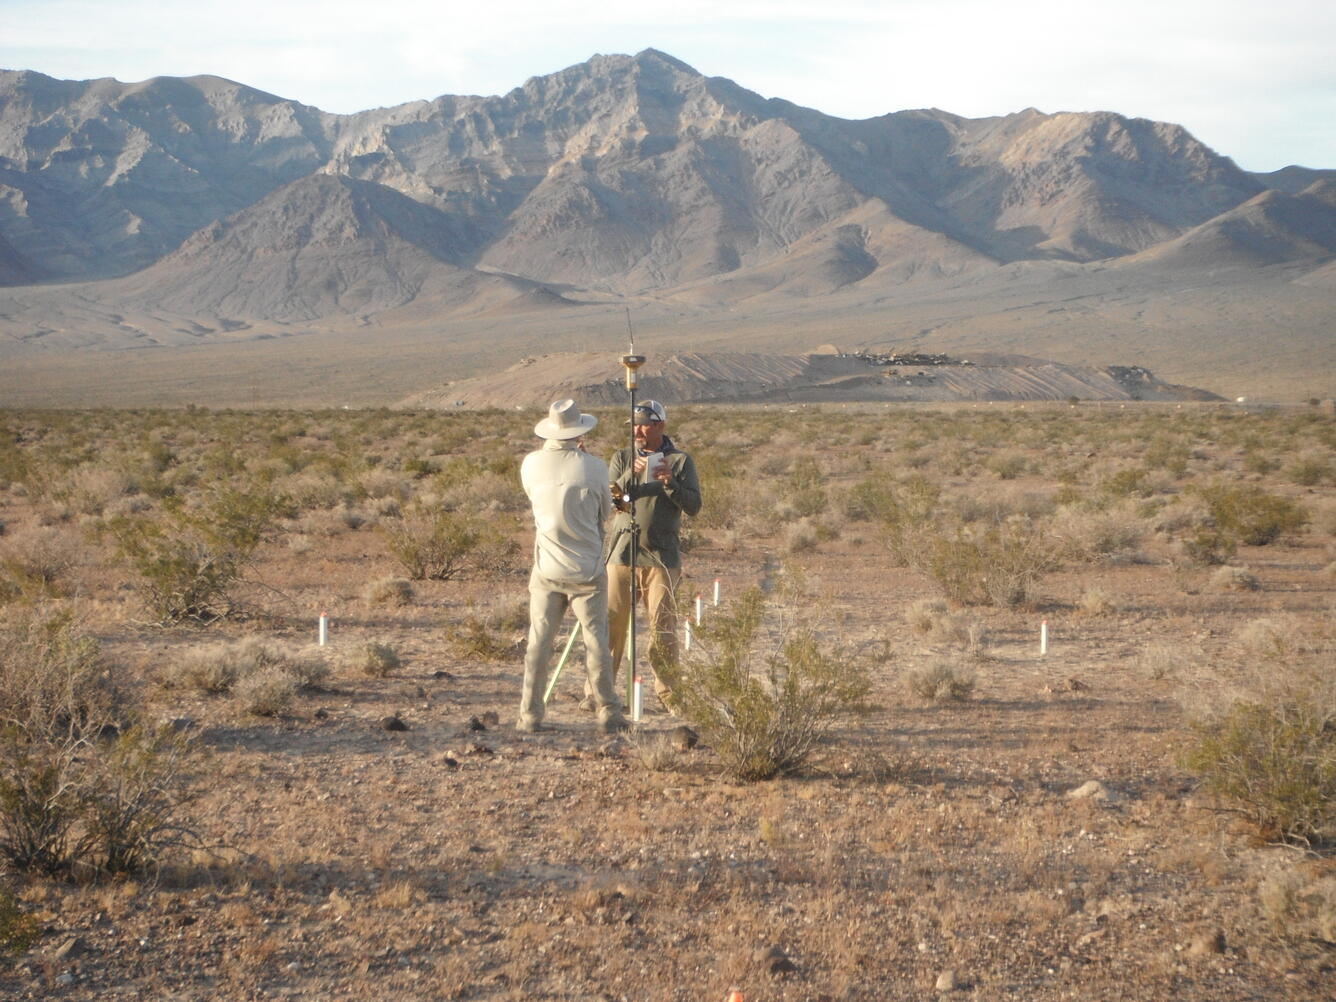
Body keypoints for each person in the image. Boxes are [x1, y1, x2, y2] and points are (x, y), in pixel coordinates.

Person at [517, 399, 627, 734]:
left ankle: (530, 716)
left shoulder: (531, 464)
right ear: (580, 431)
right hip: (588, 570)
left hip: (547, 567)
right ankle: (607, 711)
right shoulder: (594, 467)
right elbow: (605, 512)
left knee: (539, 643)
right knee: (596, 643)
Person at [598, 398, 702, 712]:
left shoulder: (681, 461)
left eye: (644, 424)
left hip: (662, 557)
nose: (638, 430)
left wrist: (669, 483)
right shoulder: (622, 457)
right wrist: (633, 472)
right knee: (611, 625)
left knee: (663, 629)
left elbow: (694, 506)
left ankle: (670, 695)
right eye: (634, 424)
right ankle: (600, 693)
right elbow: (615, 501)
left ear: (660, 425)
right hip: (622, 554)